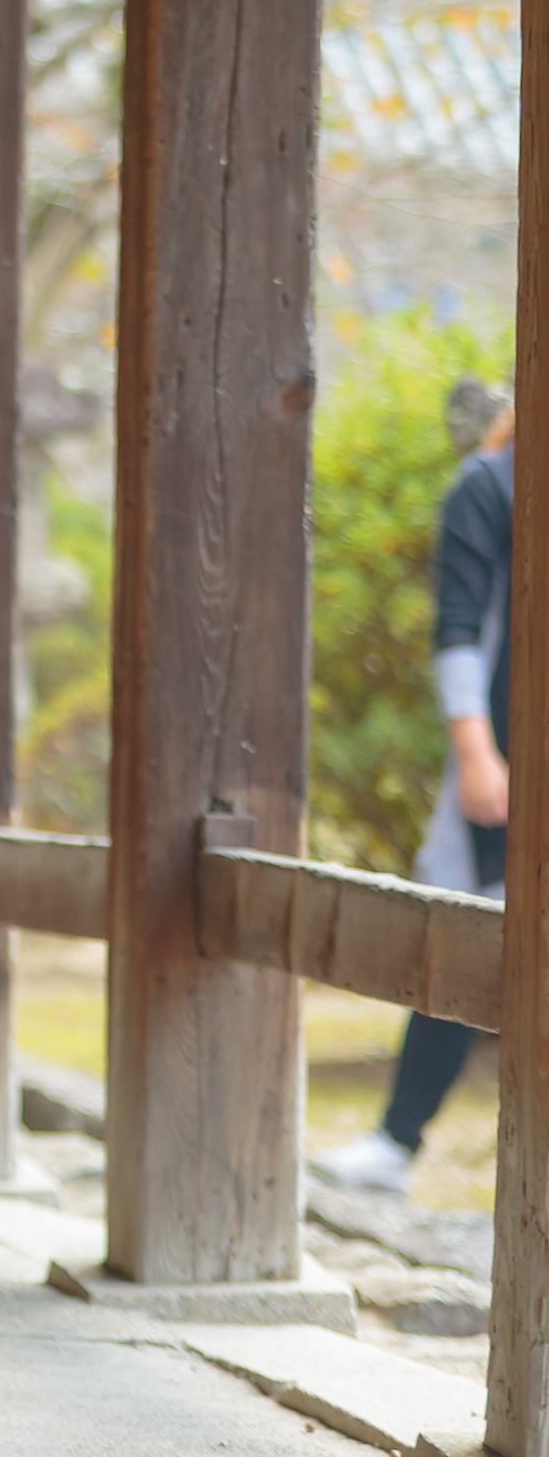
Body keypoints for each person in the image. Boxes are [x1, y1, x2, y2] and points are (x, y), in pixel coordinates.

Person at [318, 382, 509, 1199]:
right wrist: (476, 751)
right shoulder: (489, 485)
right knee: (461, 929)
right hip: (503, 754)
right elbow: (459, 629)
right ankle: (397, 1142)